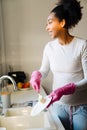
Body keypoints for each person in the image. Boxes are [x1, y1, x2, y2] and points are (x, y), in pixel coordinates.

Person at [30, 0, 87, 130]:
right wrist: (37, 75)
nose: (47, 27)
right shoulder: (49, 47)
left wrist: (66, 89)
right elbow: (44, 70)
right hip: (58, 106)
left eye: (50, 22)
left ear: (62, 23)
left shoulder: (82, 45)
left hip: (82, 108)